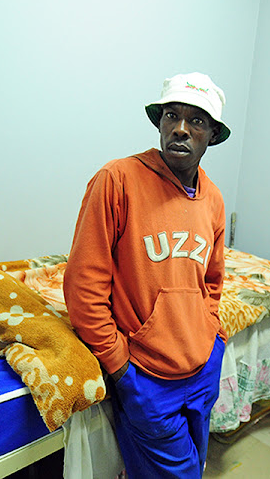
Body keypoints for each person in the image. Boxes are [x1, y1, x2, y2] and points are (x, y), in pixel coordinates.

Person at [63, 72, 231, 477]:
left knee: (197, 463)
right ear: (158, 122)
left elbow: (212, 282)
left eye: (196, 121)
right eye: (172, 115)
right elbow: (83, 286)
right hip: (146, 374)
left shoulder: (213, 199)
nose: (180, 129)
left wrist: (215, 340)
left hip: (203, 365)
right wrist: (120, 368)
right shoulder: (117, 180)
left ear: (211, 134)